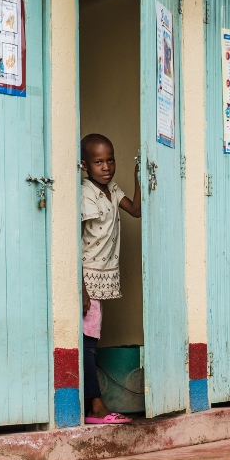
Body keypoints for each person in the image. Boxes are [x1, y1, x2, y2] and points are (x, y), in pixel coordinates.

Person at [80, 133, 141, 425]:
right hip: (87, 280)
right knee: (88, 344)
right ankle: (95, 408)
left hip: (101, 279)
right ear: (84, 165)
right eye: (98, 162)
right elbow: (74, 240)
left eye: (110, 160)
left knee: (90, 341)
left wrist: (140, 176)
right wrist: (80, 288)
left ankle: (93, 405)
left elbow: (137, 210)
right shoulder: (84, 193)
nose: (106, 167)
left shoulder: (112, 190)